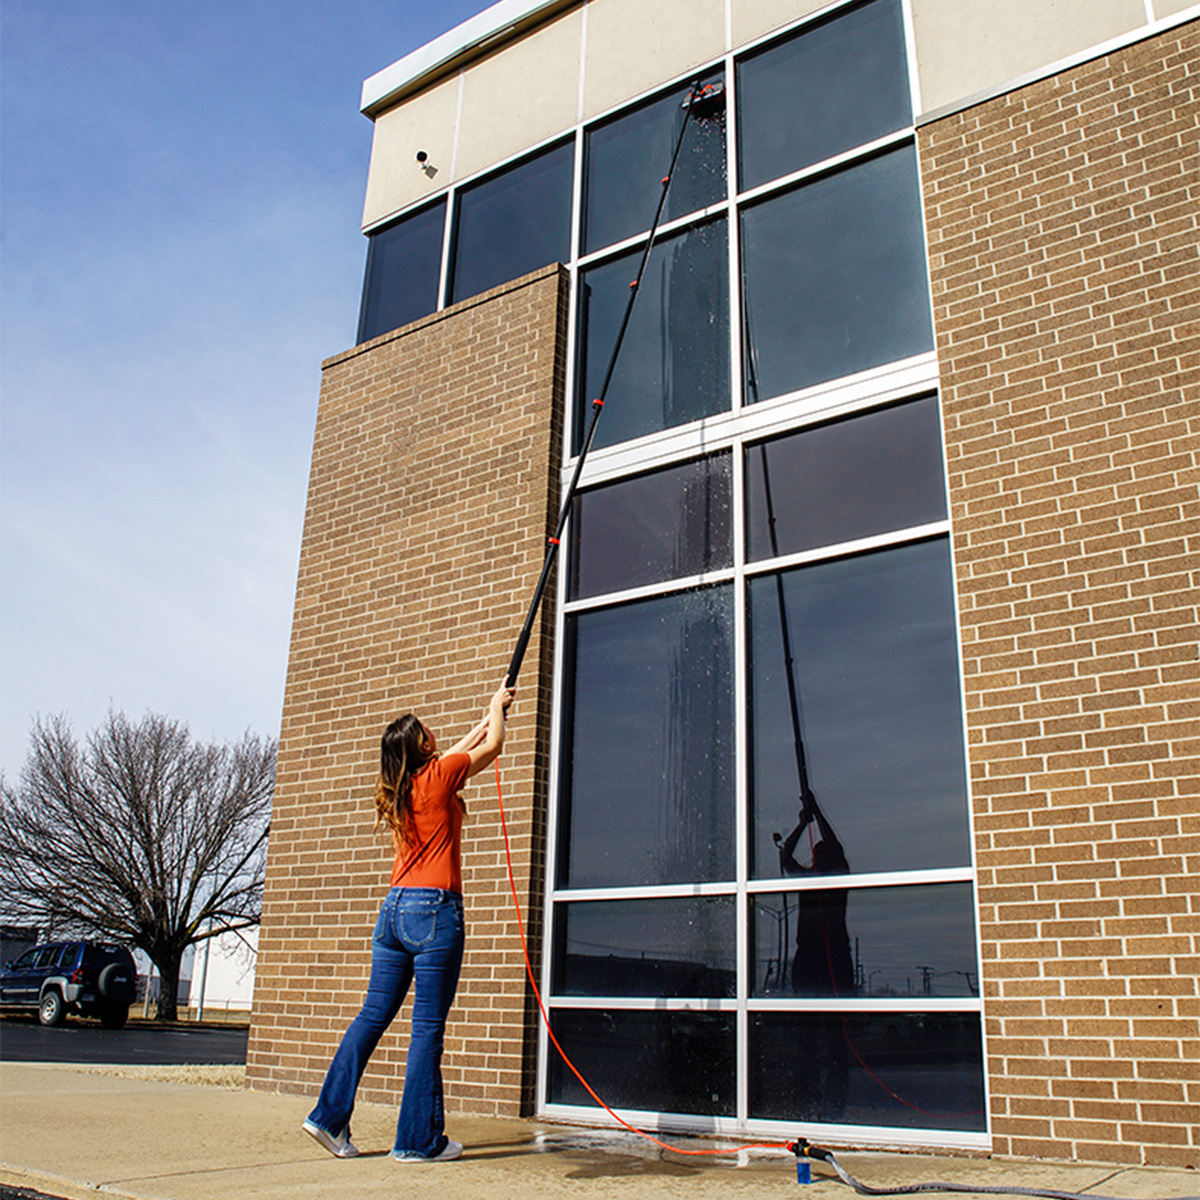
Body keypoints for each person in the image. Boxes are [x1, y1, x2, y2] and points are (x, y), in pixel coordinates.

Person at [302, 676, 515, 1164]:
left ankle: (327, 1117)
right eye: (425, 730)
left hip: (393, 911)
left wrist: (487, 715)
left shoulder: (404, 787)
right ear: (422, 745)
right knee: (426, 1029)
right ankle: (417, 1141)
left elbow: (472, 743)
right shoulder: (441, 777)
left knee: (372, 1016)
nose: (432, 732)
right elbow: (496, 745)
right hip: (434, 912)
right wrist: (495, 714)